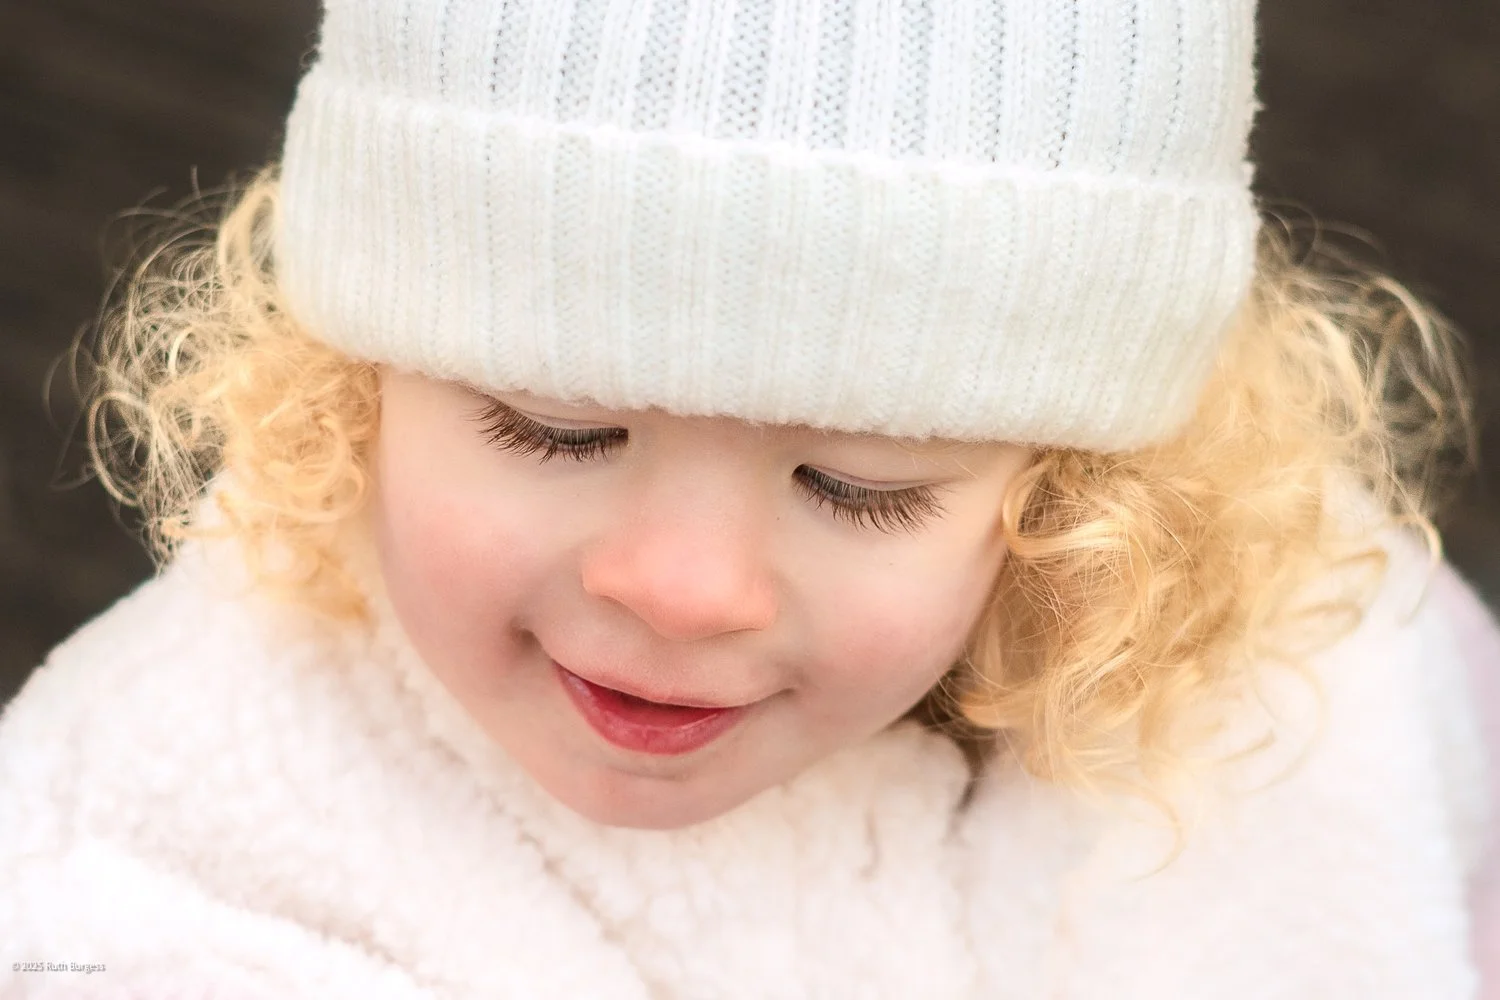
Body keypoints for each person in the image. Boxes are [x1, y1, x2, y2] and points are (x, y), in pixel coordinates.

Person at [3, 0, 1498, 995]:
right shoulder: (143, 873)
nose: (682, 586)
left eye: (861, 485)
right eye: (553, 428)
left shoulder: (1334, 694)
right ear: (349, 382)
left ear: (1083, 490)